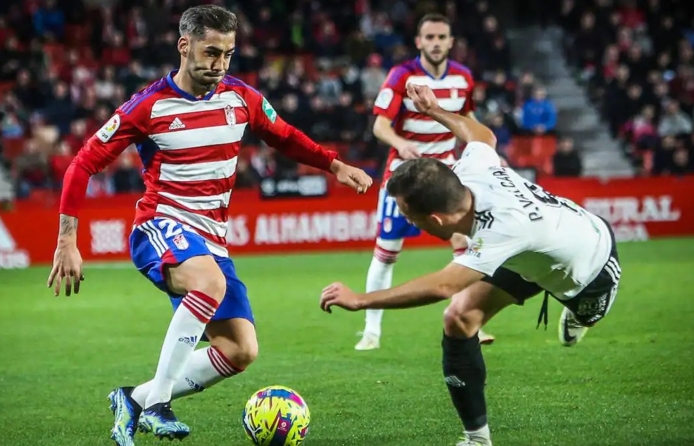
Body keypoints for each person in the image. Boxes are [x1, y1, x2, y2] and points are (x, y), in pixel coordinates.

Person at [46, 6, 372, 446]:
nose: (219, 64)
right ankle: (158, 404)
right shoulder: (148, 106)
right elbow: (82, 164)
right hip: (159, 225)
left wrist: (334, 165)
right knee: (210, 283)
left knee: (240, 350)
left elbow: (284, 135)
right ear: (185, 46)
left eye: (228, 54)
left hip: (211, 240)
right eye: (211, 52)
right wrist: (67, 240)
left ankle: (133, 399)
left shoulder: (241, 97)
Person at [319, 84, 621, 446]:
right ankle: (478, 439)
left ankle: (580, 315)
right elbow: (483, 135)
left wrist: (361, 300)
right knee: (458, 317)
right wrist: (434, 110)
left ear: (435, 219)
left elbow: (444, 285)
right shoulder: (469, 171)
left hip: (592, 263)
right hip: (534, 249)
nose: (409, 223)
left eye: (410, 217)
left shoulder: (501, 230)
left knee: (582, 311)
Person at [358, 13, 494, 350]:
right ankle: (371, 331)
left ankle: (469, 321)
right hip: (403, 176)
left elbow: (467, 119)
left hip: (447, 174)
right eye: (429, 37)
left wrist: (487, 150)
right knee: (387, 253)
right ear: (419, 42)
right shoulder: (401, 75)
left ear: (451, 42)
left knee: (466, 244)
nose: (435, 43)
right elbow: (380, 125)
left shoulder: (463, 77)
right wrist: (400, 143)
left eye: (441, 37)